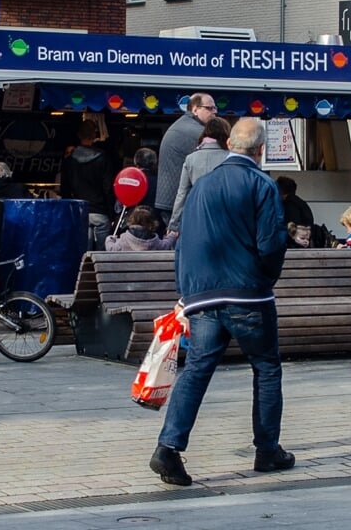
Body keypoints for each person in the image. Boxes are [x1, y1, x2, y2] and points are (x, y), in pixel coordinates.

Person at [151, 117, 291, 487]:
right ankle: (267, 449)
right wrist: (264, 278)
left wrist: (187, 293)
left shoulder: (203, 186)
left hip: (202, 295)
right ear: (261, 150)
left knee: (197, 368)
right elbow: (272, 244)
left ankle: (168, 447)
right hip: (247, 294)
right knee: (266, 367)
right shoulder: (260, 184)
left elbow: (183, 240)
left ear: (229, 144)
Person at [154, 93, 216, 228]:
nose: (214, 112)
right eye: (209, 108)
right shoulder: (196, 132)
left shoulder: (184, 125)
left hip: (172, 201)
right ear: (195, 109)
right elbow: (216, 158)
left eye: (215, 108)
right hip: (178, 204)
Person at [168, 115, 231, 236]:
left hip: (197, 215)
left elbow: (182, 194)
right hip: (224, 217)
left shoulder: (191, 158)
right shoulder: (230, 157)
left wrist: (174, 224)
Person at [61, 120, 114, 243]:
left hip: (78, 212)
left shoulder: (69, 159)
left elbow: (65, 189)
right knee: (101, 256)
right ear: (95, 136)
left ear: (79, 135)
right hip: (100, 213)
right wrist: (112, 215)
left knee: (81, 254)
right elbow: (108, 188)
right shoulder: (103, 158)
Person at [106, 206, 177, 251]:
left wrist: (110, 239)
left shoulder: (125, 239)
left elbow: (111, 248)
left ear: (132, 220)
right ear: (152, 222)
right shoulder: (154, 241)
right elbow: (166, 244)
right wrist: (172, 235)